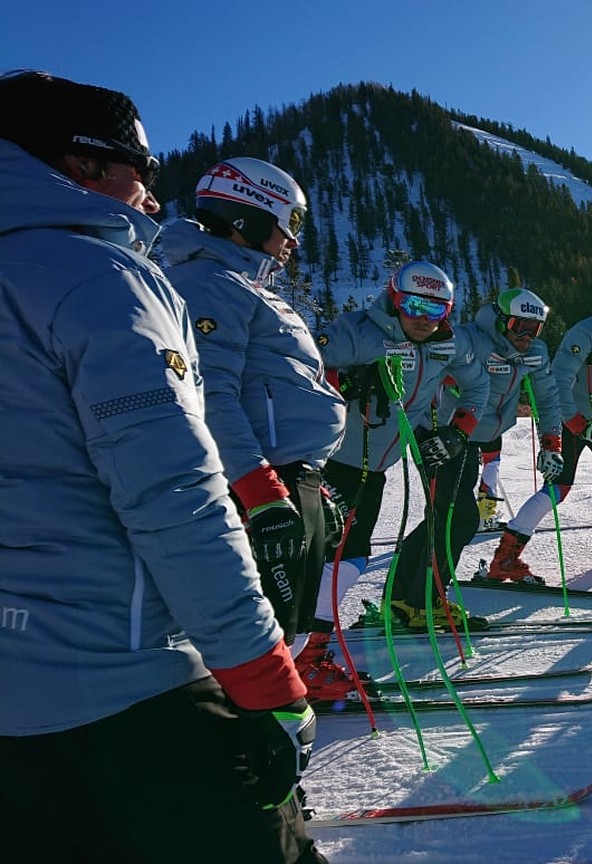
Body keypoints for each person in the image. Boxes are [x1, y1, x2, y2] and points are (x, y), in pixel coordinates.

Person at [0, 70, 324, 863]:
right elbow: (175, 496)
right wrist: (263, 677)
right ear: (81, 166)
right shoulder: (99, 281)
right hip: (126, 675)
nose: (150, 192)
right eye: (139, 169)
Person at [159, 157, 350, 701]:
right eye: (287, 223)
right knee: (259, 629)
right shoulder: (208, 282)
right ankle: (249, 748)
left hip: (292, 475)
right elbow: (207, 395)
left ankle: (274, 723)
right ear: (247, 218)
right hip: (263, 480)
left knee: (284, 622)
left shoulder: (240, 283)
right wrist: (261, 492)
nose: (292, 239)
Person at [311, 260, 490, 635]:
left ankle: (306, 644)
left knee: (351, 554)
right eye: (414, 306)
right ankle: (299, 646)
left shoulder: (448, 344)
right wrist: (344, 385)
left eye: (436, 310)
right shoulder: (359, 333)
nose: (424, 319)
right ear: (395, 301)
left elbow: (478, 387)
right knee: (334, 554)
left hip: (377, 463)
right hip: (332, 459)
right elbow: (304, 369)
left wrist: (458, 433)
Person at [482, 287, 592, 583]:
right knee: (557, 491)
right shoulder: (588, 332)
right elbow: (559, 380)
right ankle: (505, 558)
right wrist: (578, 425)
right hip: (569, 421)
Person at [440, 288, 562, 580]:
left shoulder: (535, 353)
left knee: (458, 519)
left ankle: (424, 595)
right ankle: (420, 595)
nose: (527, 336)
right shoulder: (471, 340)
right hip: (457, 434)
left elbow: (547, 398)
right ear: (499, 320)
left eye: (535, 329)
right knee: (455, 520)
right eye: (519, 326)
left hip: (492, 428)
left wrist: (550, 443)